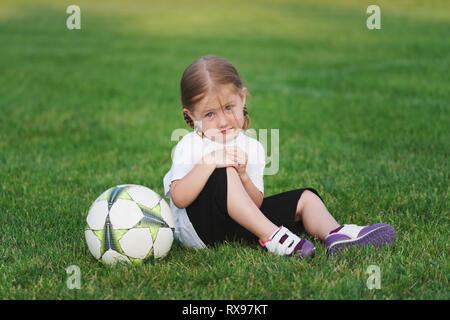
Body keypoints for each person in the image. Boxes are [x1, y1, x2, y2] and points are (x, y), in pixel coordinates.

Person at [163, 55, 395, 259]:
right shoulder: (190, 145)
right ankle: (272, 236)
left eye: (229, 108)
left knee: (306, 197)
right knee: (224, 171)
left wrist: (243, 176)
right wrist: (211, 161)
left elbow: (255, 205)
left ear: (242, 100)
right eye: (210, 114)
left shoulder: (251, 147)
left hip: (238, 225)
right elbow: (180, 198)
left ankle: (336, 234)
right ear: (192, 116)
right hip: (199, 230)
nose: (223, 121)